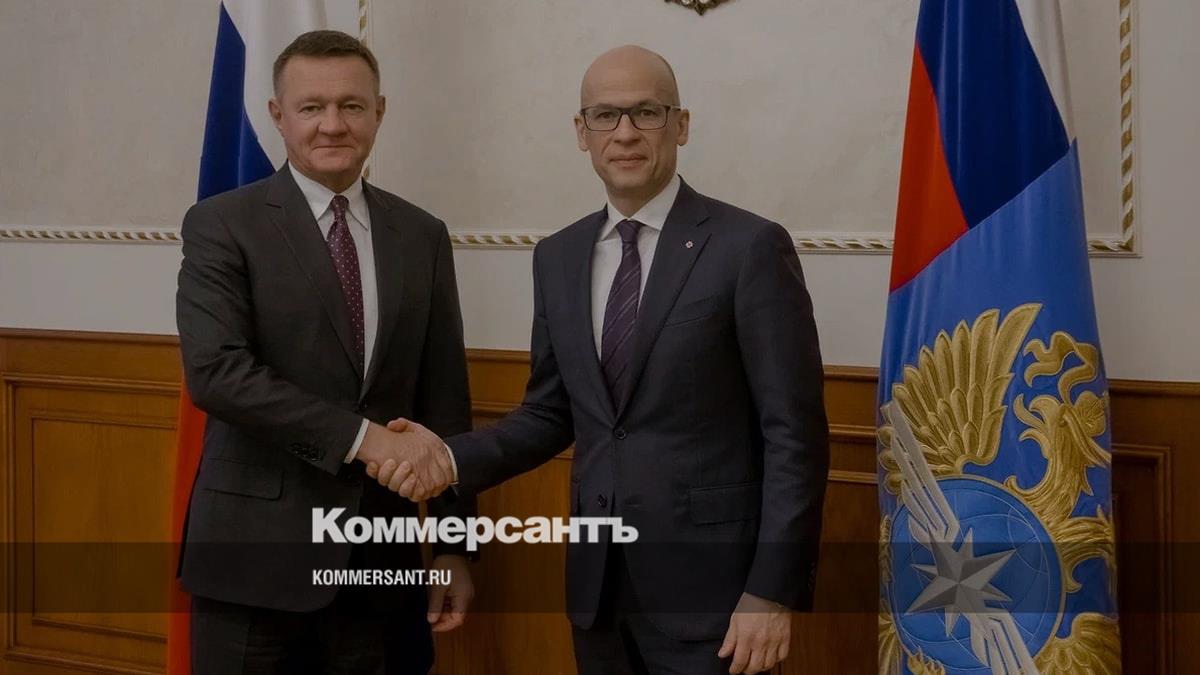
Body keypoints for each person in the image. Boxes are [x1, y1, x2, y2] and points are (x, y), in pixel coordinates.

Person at [373, 45, 829, 675]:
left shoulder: (749, 247)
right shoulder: (557, 256)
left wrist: (771, 591)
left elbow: (794, 434)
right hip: (598, 596)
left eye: (647, 112)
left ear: (681, 125)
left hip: (719, 600)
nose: (626, 133)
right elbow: (549, 414)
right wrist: (448, 459)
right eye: (606, 116)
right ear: (581, 131)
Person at [176, 30, 474, 675]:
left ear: (379, 112)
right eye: (311, 107)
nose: (333, 125)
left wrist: (455, 546)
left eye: (352, 106)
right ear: (277, 115)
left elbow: (445, 400)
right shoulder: (221, 224)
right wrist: (366, 440)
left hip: (380, 568)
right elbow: (217, 373)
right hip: (252, 565)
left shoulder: (421, 235)